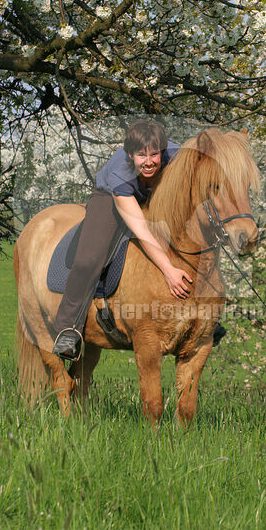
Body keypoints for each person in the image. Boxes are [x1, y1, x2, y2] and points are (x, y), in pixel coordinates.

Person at [52, 119, 194, 359]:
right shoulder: (120, 173)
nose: (148, 162)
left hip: (155, 194)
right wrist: (169, 270)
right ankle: (67, 329)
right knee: (90, 258)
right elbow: (141, 229)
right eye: (141, 155)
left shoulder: (178, 155)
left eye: (154, 154)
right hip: (111, 199)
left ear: (163, 150)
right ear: (130, 156)